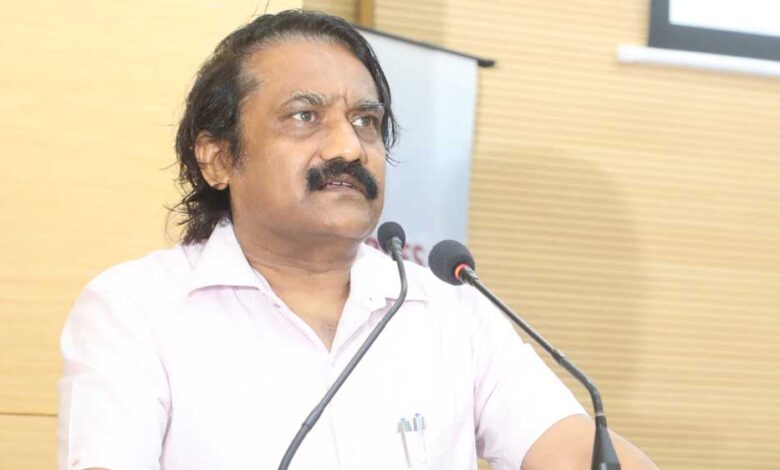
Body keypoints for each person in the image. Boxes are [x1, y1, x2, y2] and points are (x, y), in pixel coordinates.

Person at [57, 9, 658, 470]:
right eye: (305, 116)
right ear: (218, 158)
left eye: (365, 122)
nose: (349, 147)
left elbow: (570, 446)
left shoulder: (450, 309)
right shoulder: (134, 311)